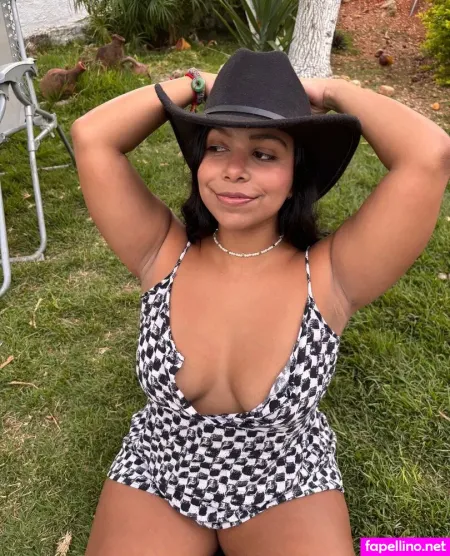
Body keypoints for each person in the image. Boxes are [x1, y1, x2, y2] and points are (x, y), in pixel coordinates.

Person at [71, 48, 450, 556]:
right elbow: (91, 137)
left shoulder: (332, 275)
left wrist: (329, 90)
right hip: (161, 465)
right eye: (217, 147)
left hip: (285, 476)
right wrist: (201, 82)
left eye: (264, 154)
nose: (233, 170)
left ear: (296, 173)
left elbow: (429, 155)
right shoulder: (161, 252)